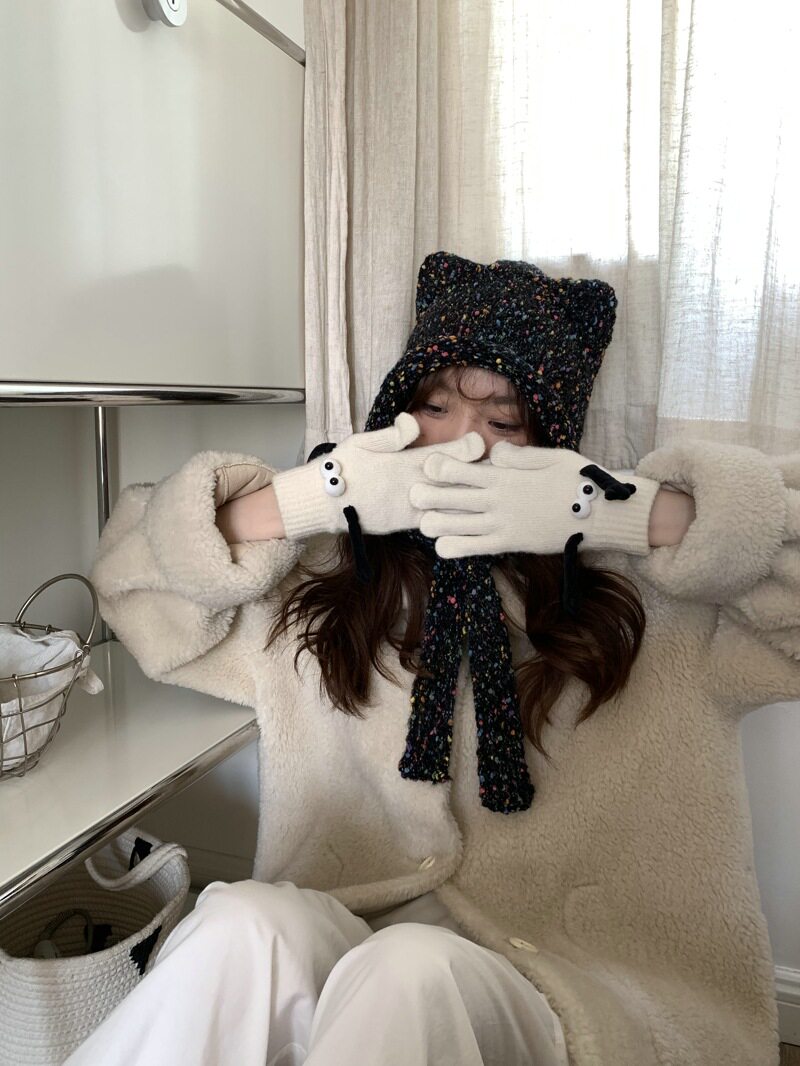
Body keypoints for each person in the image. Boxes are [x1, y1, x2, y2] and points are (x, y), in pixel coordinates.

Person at [71, 252, 799, 1066]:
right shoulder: (327, 584)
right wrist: (316, 494)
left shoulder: (651, 599)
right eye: (433, 406)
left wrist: (613, 512)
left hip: (573, 986)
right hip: (345, 941)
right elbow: (130, 588)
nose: (461, 444)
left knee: (413, 970)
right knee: (240, 920)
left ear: (553, 441)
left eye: (504, 420)